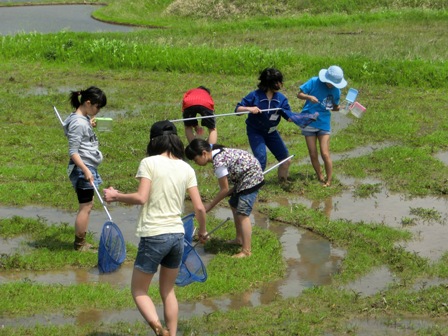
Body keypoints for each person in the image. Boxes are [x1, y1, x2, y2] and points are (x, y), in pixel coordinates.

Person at [103, 120, 207, 336]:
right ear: (177, 140)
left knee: (139, 290)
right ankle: (173, 333)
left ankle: (159, 329)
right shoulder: (186, 167)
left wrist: (116, 196)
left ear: (153, 141)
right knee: (168, 290)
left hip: (155, 235)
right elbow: (199, 207)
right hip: (177, 236)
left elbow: (141, 198)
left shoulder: (149, 163)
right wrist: (203, 231)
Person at [185, 138, 264, 258]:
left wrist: (210, 206)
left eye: (196, 160)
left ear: (204, 153)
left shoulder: (218, 162)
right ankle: (239, 239)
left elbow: (224, 189)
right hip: (243, 178)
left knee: (242, 213)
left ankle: (246, 251)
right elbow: (228, 188)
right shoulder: (217, 152)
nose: (196, 163)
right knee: (233, 203)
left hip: (251, 178)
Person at [63, 86, 107, 251]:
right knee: (86, 206)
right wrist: (86, 170)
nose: (98, 111)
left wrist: (88, 123)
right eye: (97, 107)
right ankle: (80, 244)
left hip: (87, 167)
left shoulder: (80, 119)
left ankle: (81, 241)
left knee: (87, 204)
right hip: (83, 168)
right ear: (88, 103)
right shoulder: (78, 124)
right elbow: (73, 152)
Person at [235, 68, 292, 182]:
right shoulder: (254, 95)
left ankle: (282, 182)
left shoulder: (281, 99)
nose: (281, 84)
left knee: (286, 160)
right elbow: (237, 110)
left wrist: (302, 118)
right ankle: (253, 184)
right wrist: (249, 108)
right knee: (261, 160)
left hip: (271, 132)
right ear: (270, 83)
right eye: (278, 82)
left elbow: (289, 117)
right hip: (256, 131)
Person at [297, 65, 347, 187]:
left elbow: (332, 107)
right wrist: (309, 97)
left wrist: (342, 108)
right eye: (330, 83)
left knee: (325, 153)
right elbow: (299, 94)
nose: (331, 85)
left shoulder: (336, 91)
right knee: (312, 152)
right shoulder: (314, 81)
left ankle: (329, 180)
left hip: (323, 122)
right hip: (309, 120)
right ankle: (320, 175)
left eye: (334, 84)